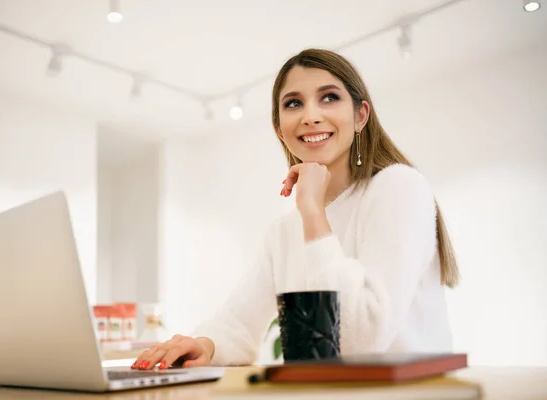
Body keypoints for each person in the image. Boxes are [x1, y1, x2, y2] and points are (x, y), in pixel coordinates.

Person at [131, 48, 459, 370]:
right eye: (293, 103)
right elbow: (238, 324)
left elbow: (363, 339)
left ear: (361, 116)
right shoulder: (285, 231)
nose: (310, 116)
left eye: (329, 97)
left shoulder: (399, 187)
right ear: (280, 130)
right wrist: (204, 344)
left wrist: (313, 212)